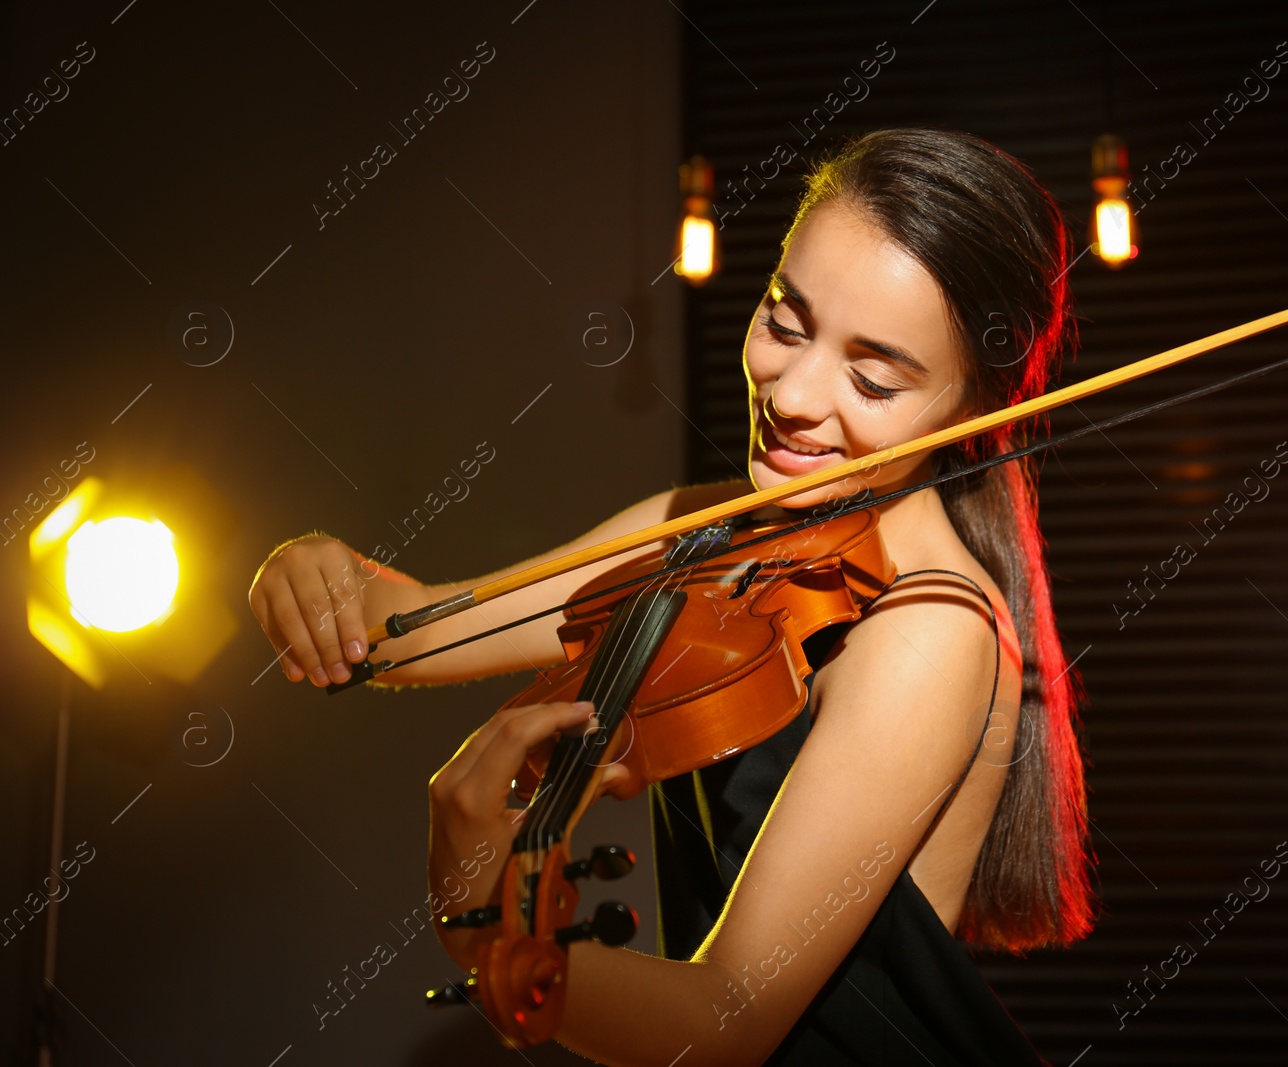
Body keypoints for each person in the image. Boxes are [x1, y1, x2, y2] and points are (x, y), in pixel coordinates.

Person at [249, 127, 1094, 1065]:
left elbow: (724, 1019)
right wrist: (307, 566)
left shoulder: (929, 625)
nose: (795, 393)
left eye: (874, 376)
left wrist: (481, 922)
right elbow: (411, 629)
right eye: (784, 320)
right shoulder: (701, 529)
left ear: (981, 406)